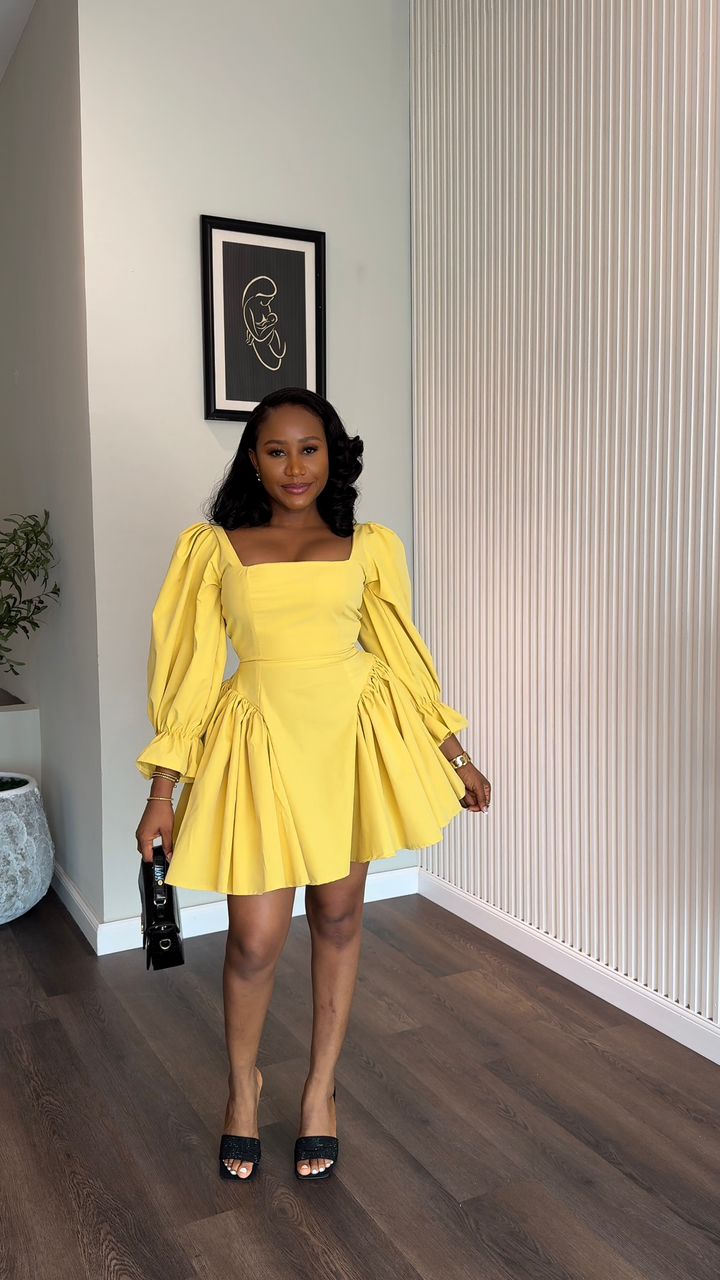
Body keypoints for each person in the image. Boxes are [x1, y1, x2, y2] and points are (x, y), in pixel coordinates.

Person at [134, 386, 491, 1183]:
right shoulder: (215, 550)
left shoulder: (367, 546)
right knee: (254, 941)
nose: (295, 467)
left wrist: (455, 754)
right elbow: (191, 677)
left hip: (348, 744)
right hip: (259, 743)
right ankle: (243, 1087)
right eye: (276, 451)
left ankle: (321, 1089)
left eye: (309, 449)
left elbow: (401, 658)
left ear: (332, 455)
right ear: (253, 461)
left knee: (337, 917)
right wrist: (162, 793)